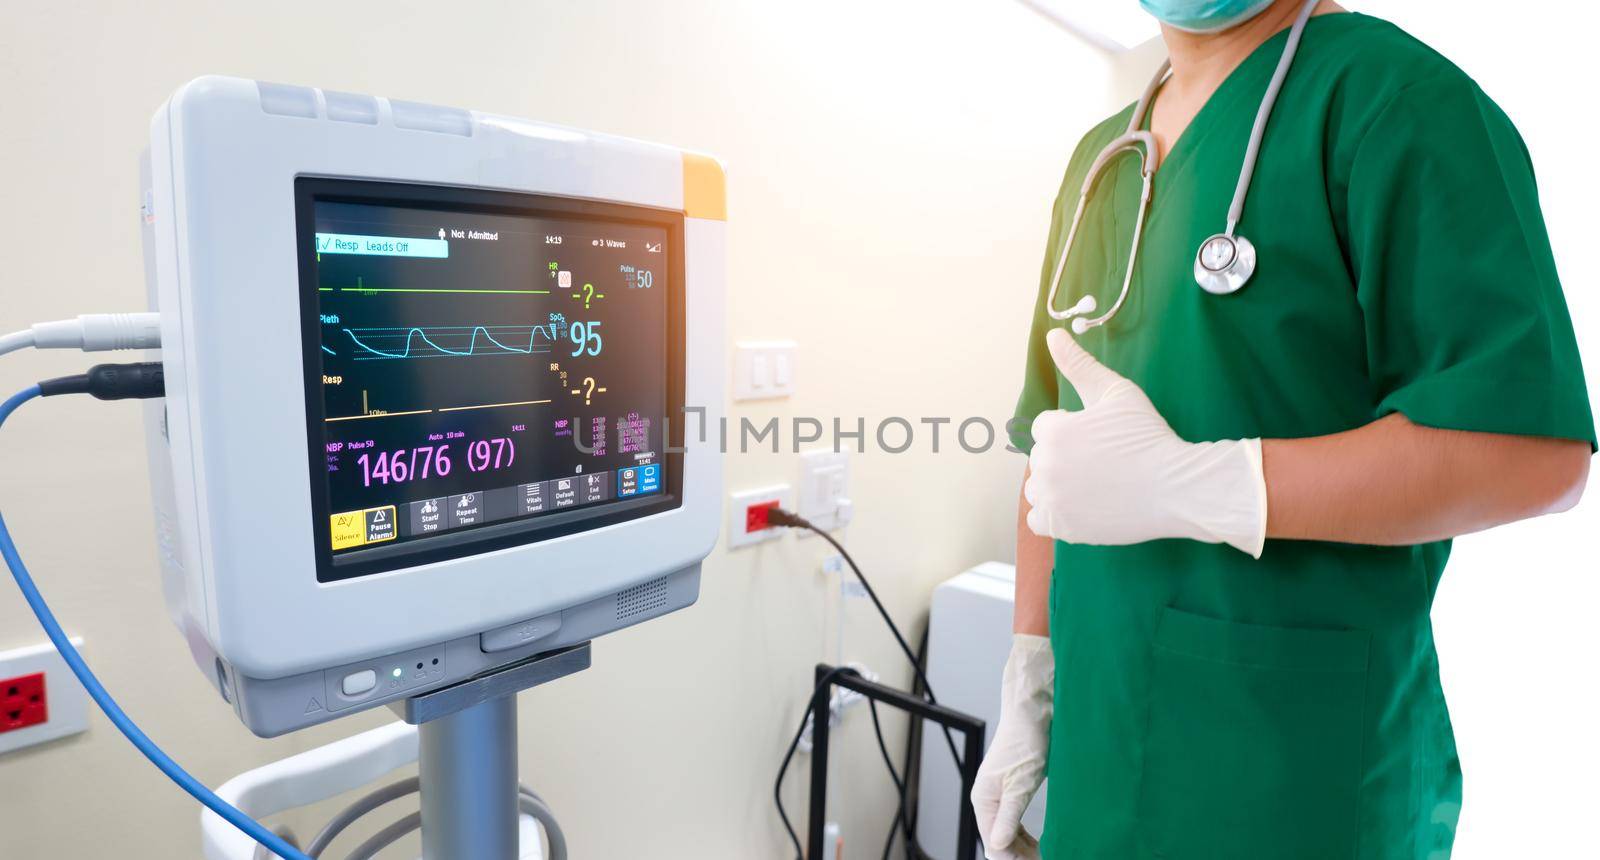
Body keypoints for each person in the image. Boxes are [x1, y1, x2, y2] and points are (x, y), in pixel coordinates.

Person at [970, 1, 1595, 858]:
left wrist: (1203, 485)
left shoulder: (1397, 101)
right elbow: (1052, 461)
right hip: (1104, 752)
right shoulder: (1099, 162)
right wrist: (1029, 674)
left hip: (1296, 779)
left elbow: (1528, 453)